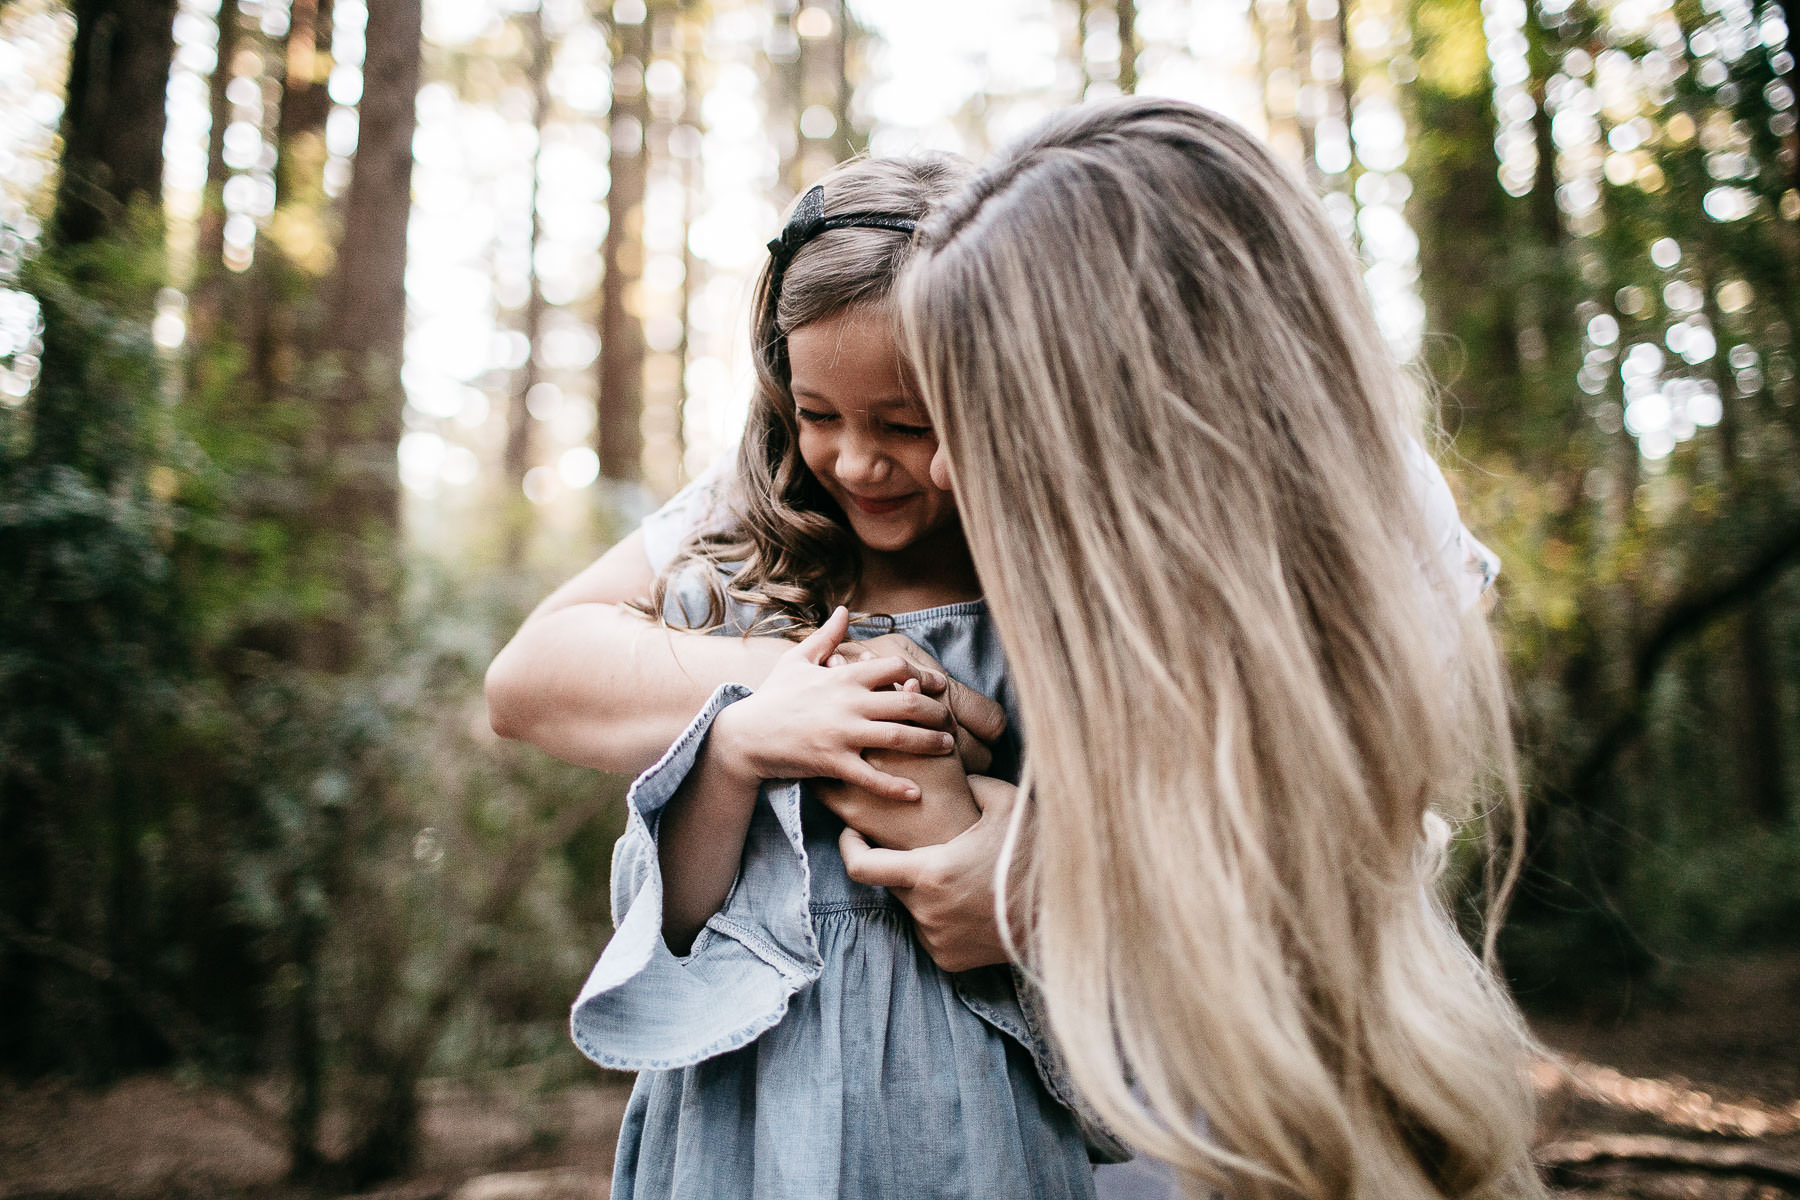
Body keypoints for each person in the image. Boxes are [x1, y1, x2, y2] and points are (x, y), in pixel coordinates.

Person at [842, 96, 1544, 1200]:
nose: (929, 474)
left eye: (962, 420)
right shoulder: (931, 520)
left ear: (1106, 438)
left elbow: (1358, 817)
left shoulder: (1379, 516)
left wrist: (1072, 883)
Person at [545, 155, 1113, 1200]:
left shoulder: (1065, 601)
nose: (856, 462)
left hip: (978, 1125)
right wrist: (768, 713)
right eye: (818, 414)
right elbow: (657, 901)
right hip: (742, 1124)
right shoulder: (743, 571)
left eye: (906, 422)